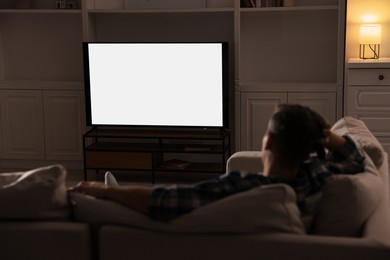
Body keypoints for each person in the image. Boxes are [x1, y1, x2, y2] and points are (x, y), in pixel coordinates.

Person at [70, 104, 365, 221]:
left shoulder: (243, 186)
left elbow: (166, 199)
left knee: (118, 195)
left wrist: (105, 192)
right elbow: (356, 160)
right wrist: (327, 137)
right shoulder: (317, 175)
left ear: (270, 142)